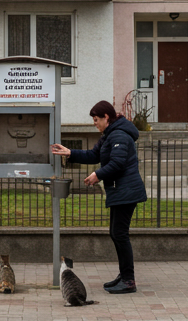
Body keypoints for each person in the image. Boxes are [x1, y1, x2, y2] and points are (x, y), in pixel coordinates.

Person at [51, 100, 147, 294]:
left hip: (126, 192)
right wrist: (70, 153)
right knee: (116, 233)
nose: (94, 123)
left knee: (119, 234)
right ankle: (124, 275)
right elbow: (94, 154)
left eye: (96, 119)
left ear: (106, 117)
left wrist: (98, 175)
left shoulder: (119, 134)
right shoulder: (110, 134)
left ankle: (129, 280)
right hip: (121, 191)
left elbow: (118, 163)